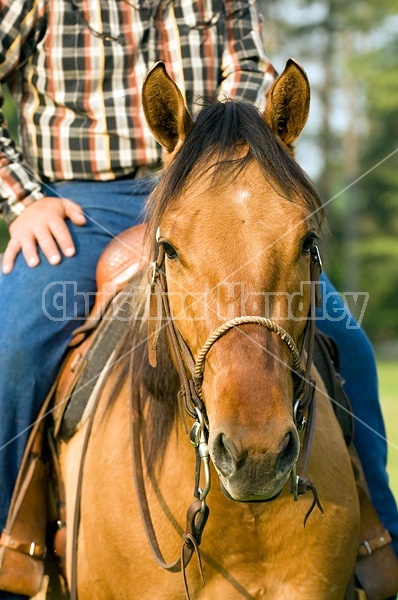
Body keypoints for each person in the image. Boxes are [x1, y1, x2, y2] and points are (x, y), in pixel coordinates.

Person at [0, 1, 396, 597]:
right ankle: (12, 548)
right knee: (17, 347)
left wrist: (227, 159)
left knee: (351, 347)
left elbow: (249, 73)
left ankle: (377, 537)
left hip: (215, 188)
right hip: (83, 204)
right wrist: (23, 197)